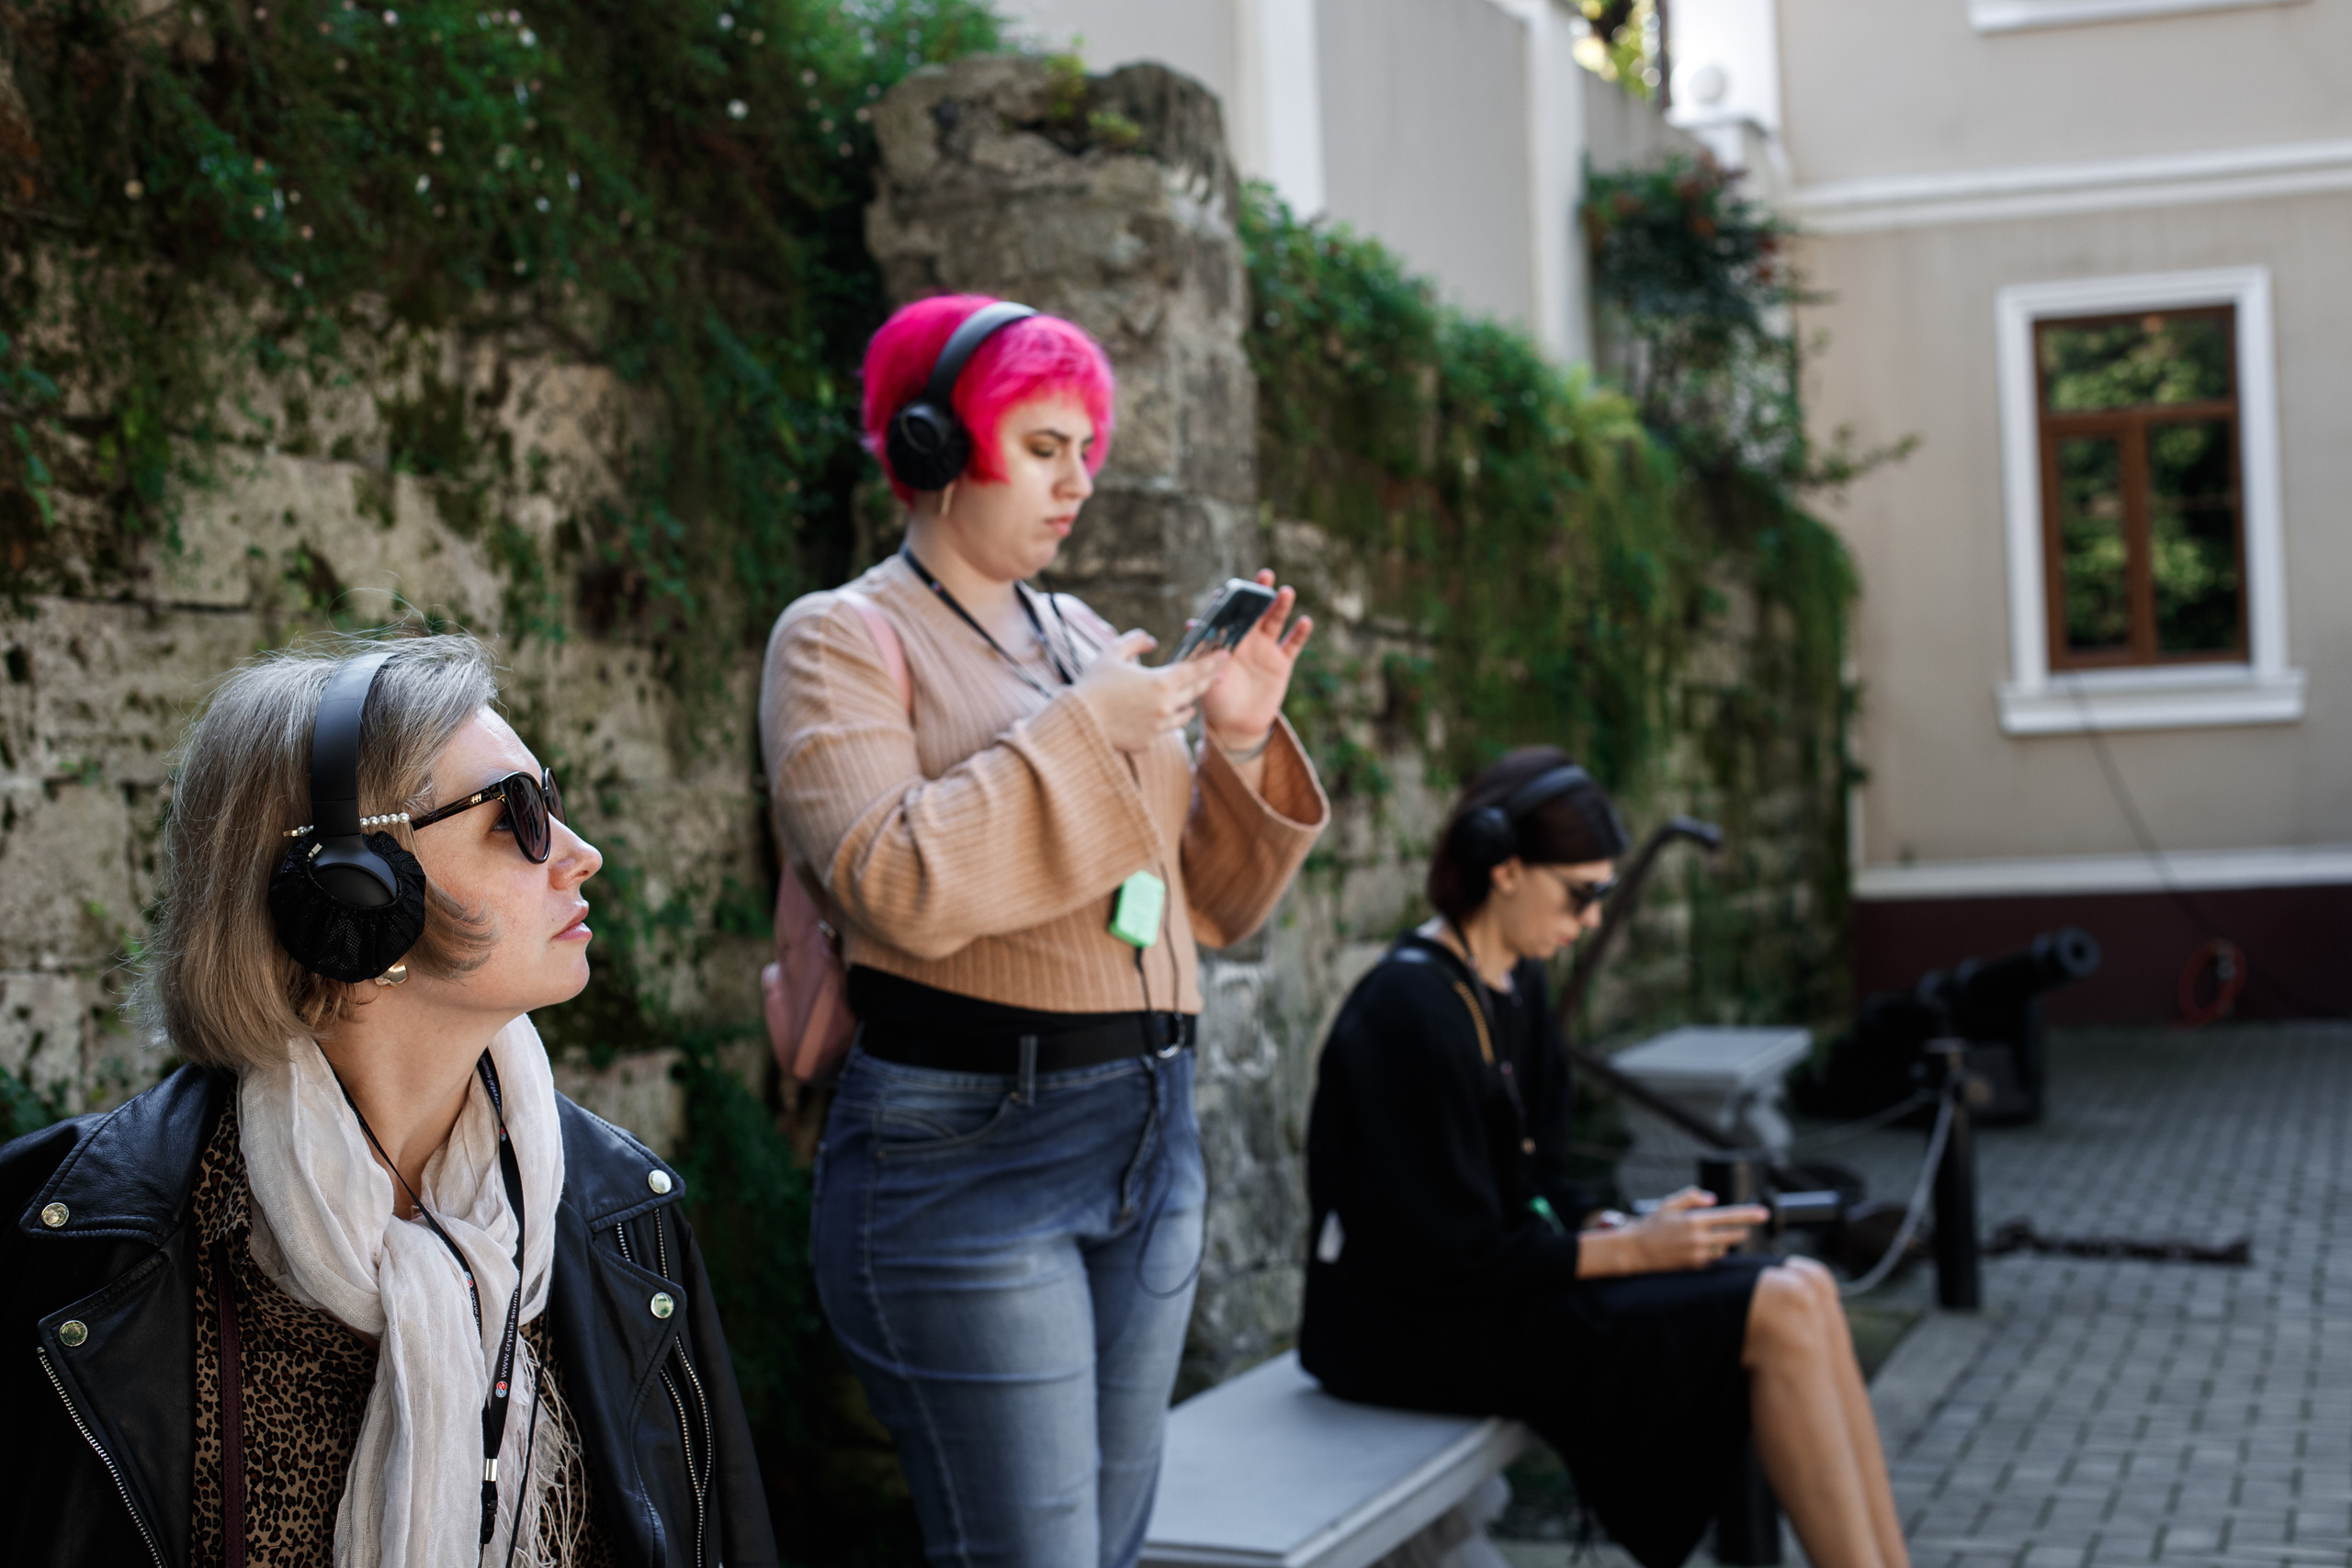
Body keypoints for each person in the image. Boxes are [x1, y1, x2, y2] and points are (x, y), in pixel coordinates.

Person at [0, 632, 775, 1568]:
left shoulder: (622, 1213)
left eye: (552, 802)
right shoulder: (80, 1242)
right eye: (517, 816)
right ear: (354, 888)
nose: (580, 855)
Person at [761, 294, 1329, 1566]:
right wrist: (1099, 726)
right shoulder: (840, 637)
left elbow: (1217, 906)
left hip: (1149, 1132)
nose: (1080, 480)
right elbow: (889, 879)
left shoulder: (1082, 637)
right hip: (969, 1149)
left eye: (1088, 446)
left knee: (1110, 1548)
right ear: (928, 446)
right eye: (1042, 446)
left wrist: (1233, 733)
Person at [1300, 748, 1908, 1568]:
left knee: (1805, 1286)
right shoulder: (1408, 1010)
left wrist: (1619, 1223)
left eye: (1601, 894)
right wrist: (1625, 1251)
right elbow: (1443, 1254)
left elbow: (1539, 1183)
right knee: (1776, 1306)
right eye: (1580, 892)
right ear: (1505, 870)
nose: (1590, 919)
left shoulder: (1515, 982)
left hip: (1499, 1290)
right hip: (1411, 1328)